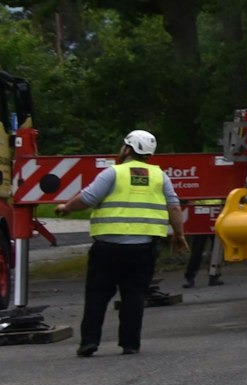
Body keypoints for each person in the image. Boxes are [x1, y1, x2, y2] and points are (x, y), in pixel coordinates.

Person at [56, 129, 186, 357]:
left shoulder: (113, 173)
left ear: (127, 148)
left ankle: (89, 342)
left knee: (97, 294)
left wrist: (66, 208)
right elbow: (174, 207)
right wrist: (179, 235)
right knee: (134, 295)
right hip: (142, 248)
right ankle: (130, 344)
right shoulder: (160, 176)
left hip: (107, 247)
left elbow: (87, 198)